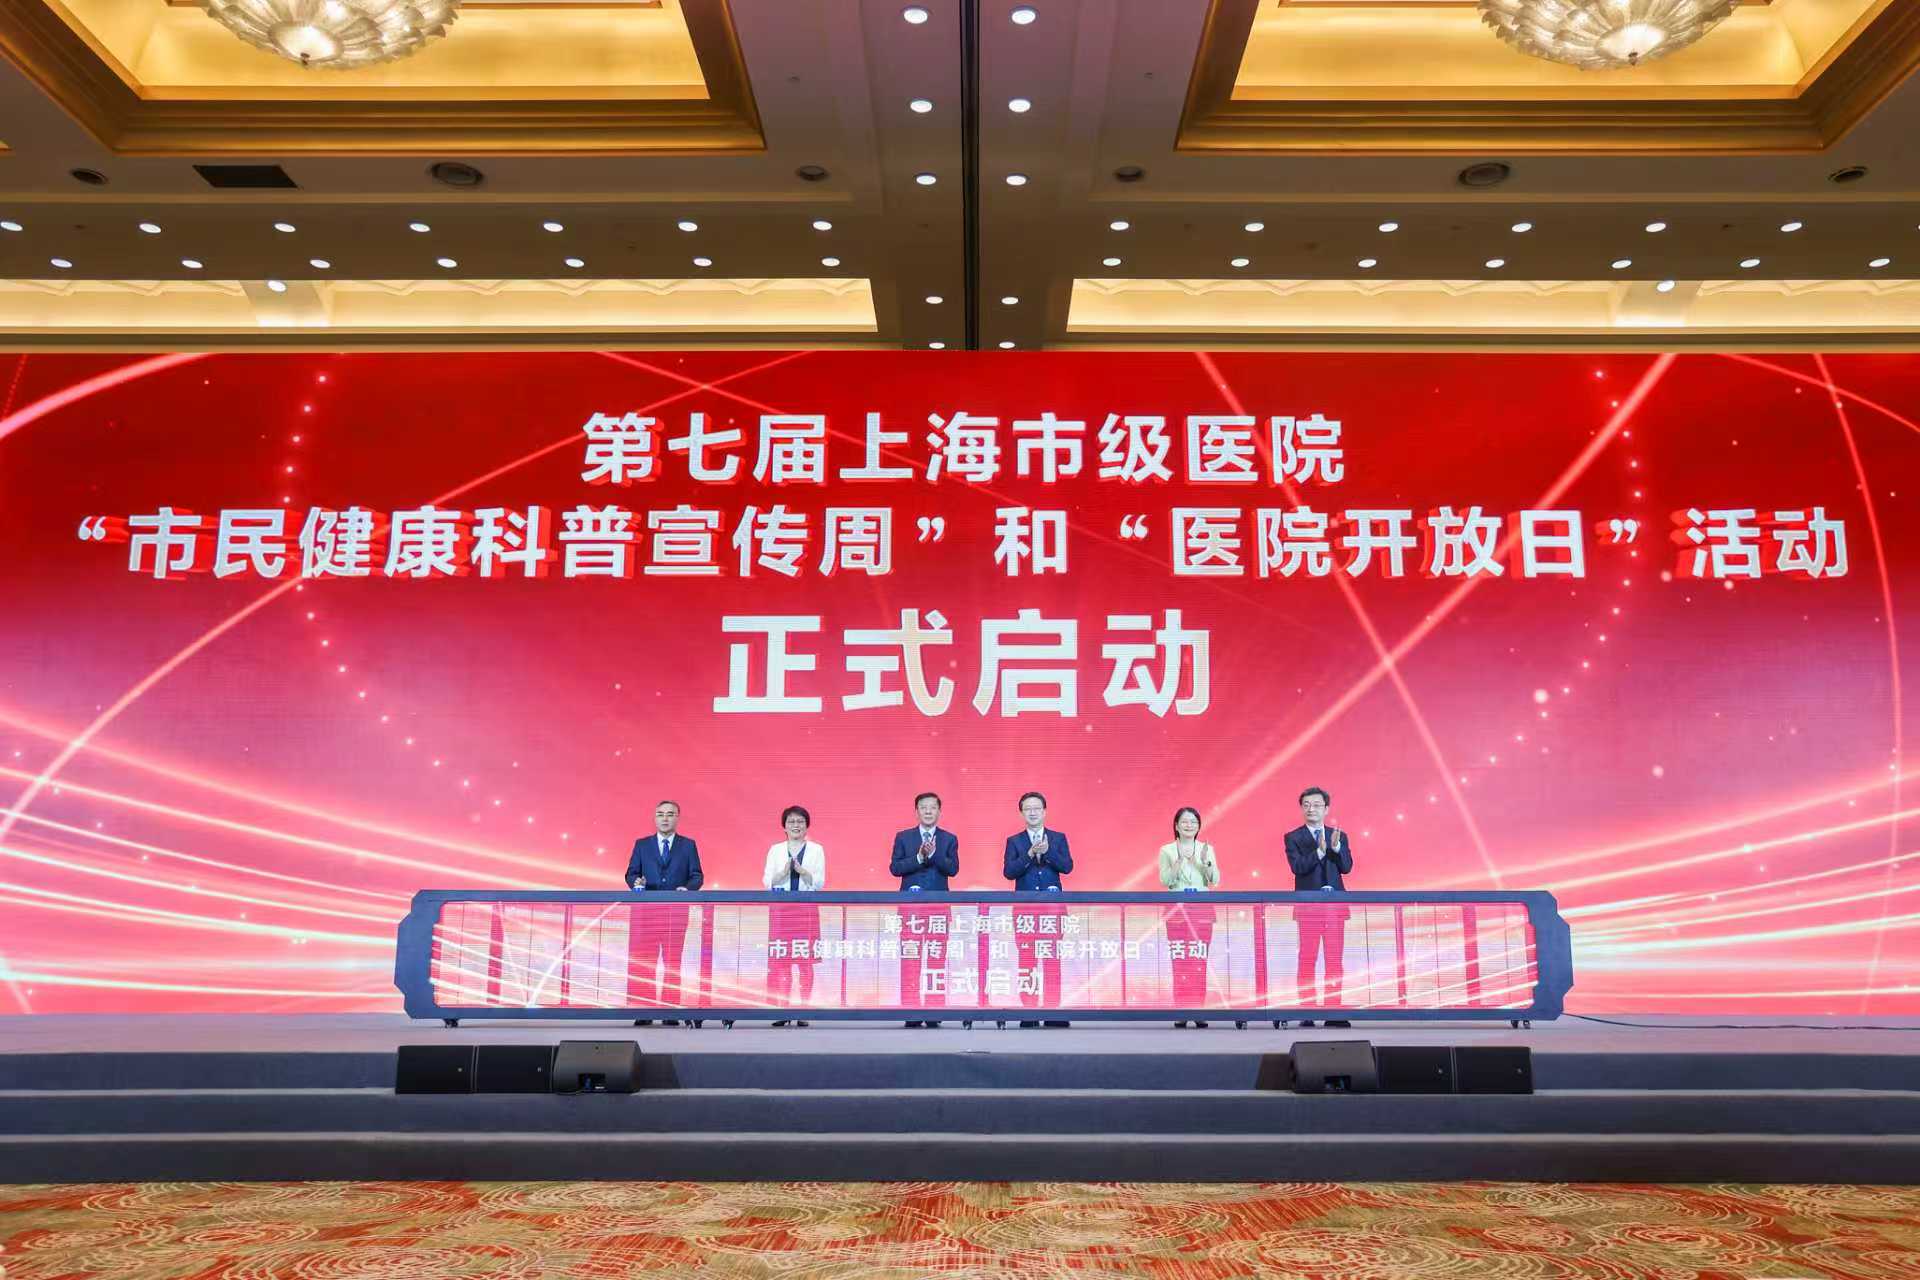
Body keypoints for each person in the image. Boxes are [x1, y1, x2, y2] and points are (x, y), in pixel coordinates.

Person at [624, 799, 703, 1027]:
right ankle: (644, 1010)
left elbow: (697, 875)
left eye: (670, 814)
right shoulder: (642, 845)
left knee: (672, 961)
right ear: (655, 818)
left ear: (677, 818)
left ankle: (670, 1011)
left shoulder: (688, 845)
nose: (665, 818)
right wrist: (635, 882)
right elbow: (631, 873)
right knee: (645, 961)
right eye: (660, 814)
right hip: (646, 914)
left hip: (675, 913)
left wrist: (687, 889)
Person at [1285, 786, 1354, 1028]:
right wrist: (1319, 852)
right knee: (1308, 958)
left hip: (1335, 908)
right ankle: (1308, 1010)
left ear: (1326, 809)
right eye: (1306, 805)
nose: (1311, 809)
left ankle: (1334, 1011)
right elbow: (1298, 867)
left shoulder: (1339, 836)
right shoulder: (1293, 837)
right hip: (1309, 909)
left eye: (1316, 805)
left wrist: (1335, 849)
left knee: (1334, 960)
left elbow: (1346, 867)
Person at [1003, 791, 1073, 1028]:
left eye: (1036, 808)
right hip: (1025, 912)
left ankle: (1053, 1011)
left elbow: (1067, 866)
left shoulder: (1058, 838)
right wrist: (1030, 854)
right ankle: (1029, 1011)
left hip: (1053, 911)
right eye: (1028, 809)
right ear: (1022, 813)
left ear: (1044, 812)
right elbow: (1009, 872)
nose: (1032, 813)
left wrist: (1048, 852)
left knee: (1052, 960)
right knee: (1027, 960)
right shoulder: (1014, 841)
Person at [889, 791, 959, 1027]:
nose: (928, 811)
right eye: (923, 807)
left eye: (932, 807)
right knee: (910, 959)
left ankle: (934, 1011)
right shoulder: (903, 837)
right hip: (911, 910)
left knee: (936, 959)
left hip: (938, 910)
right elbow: (895, 868)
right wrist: (919, 858)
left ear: (939, 811)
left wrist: (934, 854)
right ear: (916, 811)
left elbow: (953, 869)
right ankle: (911, 1011)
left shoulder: (949, 839)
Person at [761, 805, 825, 1028]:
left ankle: (804, 1010)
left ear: (807, 826)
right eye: (791, 822)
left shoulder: (816, 850)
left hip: (806, 910)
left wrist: (802, 871)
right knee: (782, 962)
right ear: (784, 827)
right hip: (781, 910)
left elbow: (819, 883)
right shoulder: (775, 850)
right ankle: (783, 1008)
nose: (795, 825)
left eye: (800, 822)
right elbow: (767, 881)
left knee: (805, 962)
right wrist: (783, 873)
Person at [1159, 805, 1220, 1029]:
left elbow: (1215, 880)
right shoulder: (1167, 850)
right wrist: (1177, 863)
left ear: (1198, 826)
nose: (1189, 825)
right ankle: (1181, 1010)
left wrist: (1204, 863)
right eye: (1184, 821)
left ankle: (1198, 1009)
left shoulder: (1206, 849)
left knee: (1199, 960)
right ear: (1176, 826)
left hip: (1201, 911)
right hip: (1176, 911)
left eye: (1193, 822)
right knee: (1180, 961)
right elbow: (1165, 881)